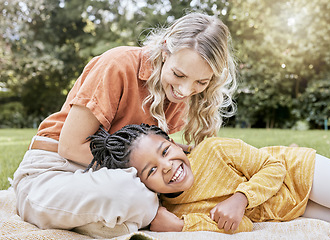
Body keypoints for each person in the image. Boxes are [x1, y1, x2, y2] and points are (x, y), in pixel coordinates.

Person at [12, 12, 237, 234]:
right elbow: (69, 147)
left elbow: (147, 154)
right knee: (132, 195)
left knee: (142, 202)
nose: (185, 91)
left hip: (106, 178)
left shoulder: (178, 95)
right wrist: (146, 180)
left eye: (201, 82)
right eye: (179, 75)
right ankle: (140, 214)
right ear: (165, 50)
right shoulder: (118, 64)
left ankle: (121, 219)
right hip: (55, 171)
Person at [87, 123, 330, 234]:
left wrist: (240, 198)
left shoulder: (214, 150)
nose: (167, 166)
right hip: (292, 208)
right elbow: (241, 224)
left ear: (176, 143)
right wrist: (182, 226)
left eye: (165, 150)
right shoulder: (176, 211)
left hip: (300, 172)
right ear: (142, 184)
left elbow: (273, 167)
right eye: (151, 170)